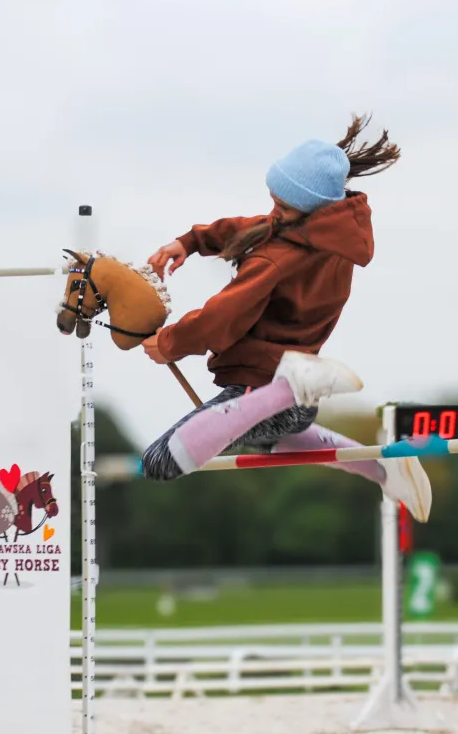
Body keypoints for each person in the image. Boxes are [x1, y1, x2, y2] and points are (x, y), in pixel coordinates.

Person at [138, 114, 432, 522]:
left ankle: (288, 389)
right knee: (276, 441)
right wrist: (189, 242)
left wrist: (169, 343)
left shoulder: (278, 259)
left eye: (282, 205)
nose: (272, 212)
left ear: (309, 207)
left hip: (263, 387)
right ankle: (385, 470)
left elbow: (222, 316)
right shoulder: (326, 235)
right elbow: (252, 227)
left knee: (158, 461)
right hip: (296, 405)